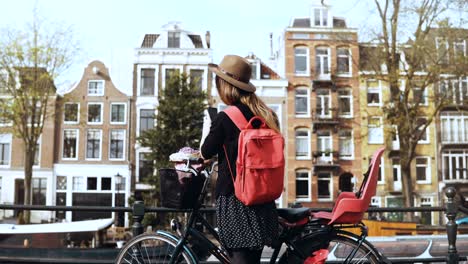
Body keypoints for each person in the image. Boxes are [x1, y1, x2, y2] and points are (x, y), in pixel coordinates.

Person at [200, 55, 280, 264]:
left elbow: (206, 151)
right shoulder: (267, 115)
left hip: (235, 200)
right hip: (264, 199)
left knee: (239, 259)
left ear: (225, 86)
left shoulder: (225, 117)